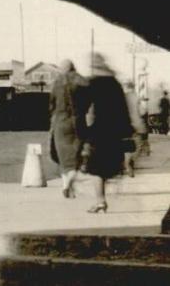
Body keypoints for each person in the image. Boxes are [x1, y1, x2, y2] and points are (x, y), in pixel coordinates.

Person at [80, 55, 134, 213]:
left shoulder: (93, 83)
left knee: (96, 169)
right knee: (108, 165)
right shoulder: (115, 83)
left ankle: (100, 201)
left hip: (99, 131)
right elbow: (124, 109)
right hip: (116, 131)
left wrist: (84, 130)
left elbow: (84, 108)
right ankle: (125, 164)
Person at [48, 58, 88, 198]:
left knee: (63, 157)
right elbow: (89, 102)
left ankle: (66, 185)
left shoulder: (57, 83)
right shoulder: (83, 81)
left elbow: (51, 105)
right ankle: (69, 185)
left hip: (61, 123)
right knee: (76, 155)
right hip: (79, 121)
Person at [123, 80, 148, 177]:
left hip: (125, 126)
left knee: (127, 147)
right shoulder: (136, 97)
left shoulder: (122, 98)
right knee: (138, 146)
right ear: (133, 87)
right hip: (137, 125)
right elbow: (142, 112)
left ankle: (127, 163)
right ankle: (131, 160)